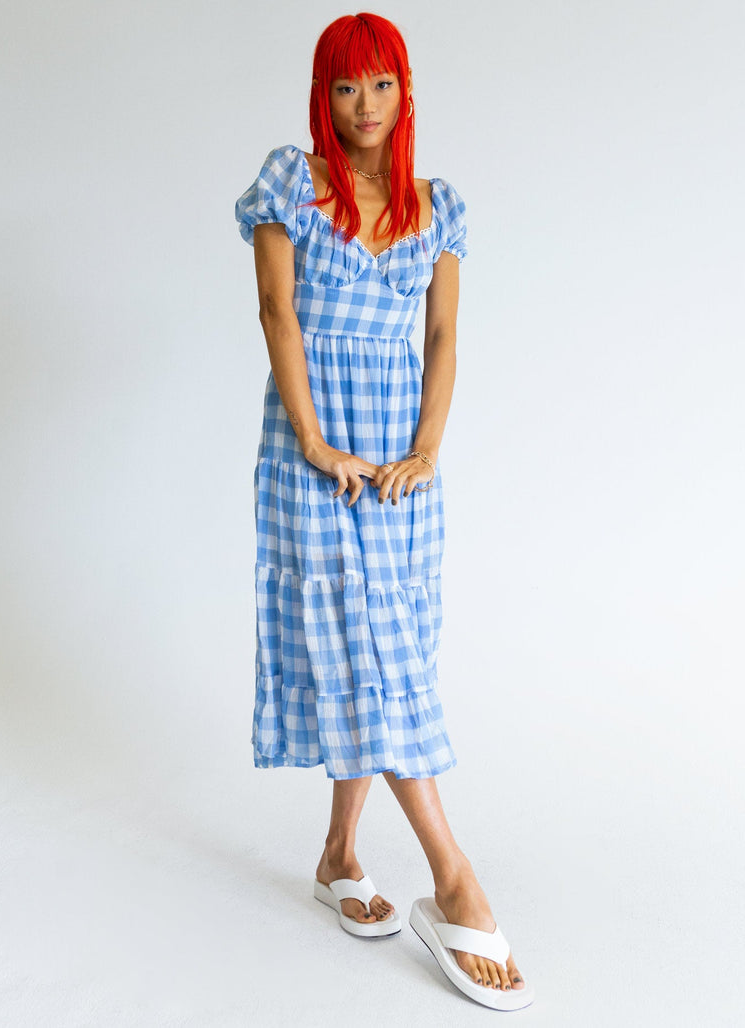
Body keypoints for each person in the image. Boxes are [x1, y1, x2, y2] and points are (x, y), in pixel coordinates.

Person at [235, 12, 533, 1011]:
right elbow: (277, 312)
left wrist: (427, 449)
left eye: (380, 84)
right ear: (322, 97)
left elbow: (442, 338)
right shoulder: (291, 184)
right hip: (316, 453)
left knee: (390, 647)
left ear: (406, 93)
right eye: (344, 86)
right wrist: (316, 442)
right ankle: (455, 881)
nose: (363, 105)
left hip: (403, 464)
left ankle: (338, 854)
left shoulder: (435, 207)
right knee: (365, 646)